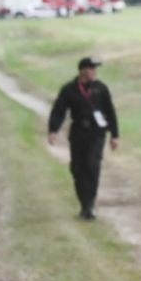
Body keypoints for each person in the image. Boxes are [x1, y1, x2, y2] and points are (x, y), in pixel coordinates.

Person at [47, 56, 119, 221]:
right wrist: (53, 130)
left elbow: (110, 111)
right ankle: (84, 204)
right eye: (92, 68)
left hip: (97, 133)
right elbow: (59, 110)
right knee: (78, 169)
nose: (95, 71)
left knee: (92, 165)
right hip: (78, 132)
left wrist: (115, 135)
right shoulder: (69, 89)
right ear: (83, 71)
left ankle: (90, 205)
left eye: (95, 69)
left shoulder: (101, 88)